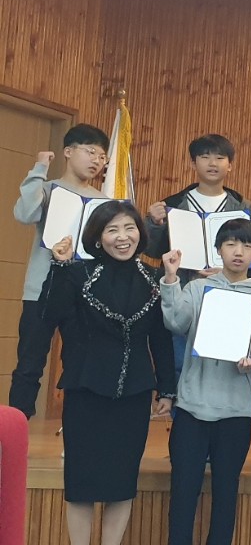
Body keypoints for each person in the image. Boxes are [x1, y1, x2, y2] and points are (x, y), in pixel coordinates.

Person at [44, 202, 175, 545]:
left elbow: (161, 338)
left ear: (140, 234)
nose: (122, 237)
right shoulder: (78, 273)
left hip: (134, 393)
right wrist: (58, 267)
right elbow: (50, 315)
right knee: (81, 483)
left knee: (122, 483)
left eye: (129, 228)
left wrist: (167, 388)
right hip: (86, 388)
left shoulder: (153, 279)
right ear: (98, 237)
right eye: (112, 230)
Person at [159, 219, 251, 545]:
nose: (238, 251)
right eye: (231, 244)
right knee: (183, 491)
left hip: (236, 411)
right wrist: (171, 278)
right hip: (192, 408)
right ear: (218, 249)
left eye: (247, 245)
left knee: (226, 492)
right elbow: (175, 322)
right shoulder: (198, 288)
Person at [143, 133, 251, 405]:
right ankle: (183, 419)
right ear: (193, 163)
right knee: (180, 363)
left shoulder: (242, 207)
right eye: (205, 157)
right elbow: (152, 250)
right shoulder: (174, 203)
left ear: (230, 165)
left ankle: (220, 417)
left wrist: (228, 271)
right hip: (186, 295)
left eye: (220, 157)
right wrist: (153, 223)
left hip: (228, 298)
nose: (212, 163)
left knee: (226, 364)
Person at [8, 123, 109, 418]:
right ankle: (14, 432)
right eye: (90, 152)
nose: (96, 160)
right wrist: (39, 169)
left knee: (79, 364)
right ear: (68, 151)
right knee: (29, 365)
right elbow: (24, 214)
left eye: (102, 156)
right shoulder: (47, 189)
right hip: (42, 289)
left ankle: (76, 429)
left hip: (84, 293)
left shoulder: (104, 202)